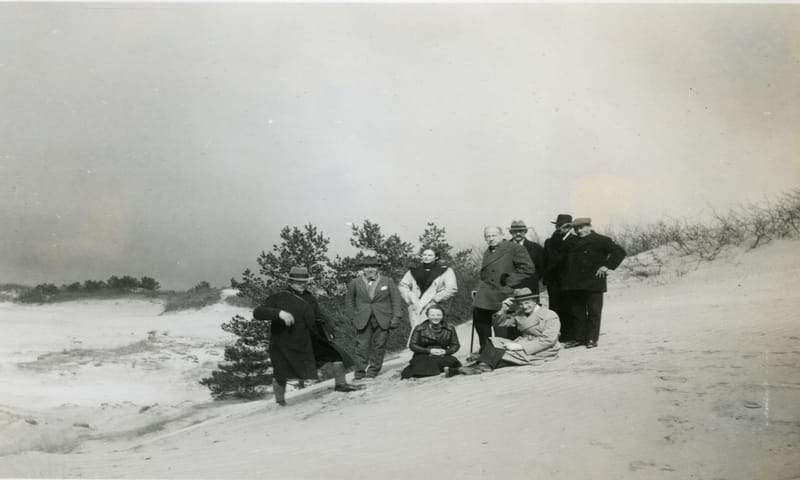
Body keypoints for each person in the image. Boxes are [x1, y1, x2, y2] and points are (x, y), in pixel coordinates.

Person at [253, 266, 364, 407]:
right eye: (298, 282)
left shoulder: (309, 296)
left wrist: (329, 329)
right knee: (281, 372)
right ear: (290, 282)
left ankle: (341, 385)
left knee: (336, 355)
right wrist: (279, 313)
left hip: (309, 339)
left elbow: (319, 316)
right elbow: (258, 312)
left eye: (304, 281)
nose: (302, 284)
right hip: (285, 342)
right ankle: (280, 402)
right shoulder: (279, 297)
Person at [453, 288, 560, 375]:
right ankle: (480, 367)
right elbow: (501, 323)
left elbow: (548, 340)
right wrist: (502, 309)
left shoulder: (550, 315)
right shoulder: (520, 313)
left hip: (542, 349)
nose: (524, 306)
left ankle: (469, 368)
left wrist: (521, 347)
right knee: (493, 341)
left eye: (527, 303)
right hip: (523, 342)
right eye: (521, 304)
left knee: (502, 353)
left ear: (535, 301)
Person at [560, 218, 626, 349]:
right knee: (577, 312)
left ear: (589, 226)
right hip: (574, 283)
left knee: (594, 312)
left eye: (582, 227)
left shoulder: (601, 240)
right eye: (576, 228)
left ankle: (591, 339)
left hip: (593, 282)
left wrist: (607, 266)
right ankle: (579, 338)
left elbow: (620, 252)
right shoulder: (570, 241)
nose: (579, 231)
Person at [472, 226, 535, 352]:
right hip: (487, 292)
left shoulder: (514, 248)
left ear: (502, 235)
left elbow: (528, 269)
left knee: (502, 323)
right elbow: (485, 274)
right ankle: (486, 349)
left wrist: (508, 281)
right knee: (480, 319)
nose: (490, 239)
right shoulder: (488, 251)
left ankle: (502, 349)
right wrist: (477, 288)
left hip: (505, 291)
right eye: (487, 236)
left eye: (493, 235)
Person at [345, 256, 403, 380]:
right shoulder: (355, 282)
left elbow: (396, 300)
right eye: (366, 266)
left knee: (380, 345)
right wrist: (352, 318)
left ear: (378, 268)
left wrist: (396, 317)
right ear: (362, 268)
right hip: (362, 319)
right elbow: (349, 302)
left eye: (373, 266)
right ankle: (360, 372)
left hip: (383, 318)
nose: (370, 269)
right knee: (361, 346)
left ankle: (373, 371)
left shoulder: (387, 281)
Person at [398, 248, 458, 331]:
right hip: (416, 306)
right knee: (416, 331)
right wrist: (410, 299)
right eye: (424, 255)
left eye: (430, 255)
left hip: (435, 306)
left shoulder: (445, 270)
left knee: (434, 331)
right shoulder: (414, 270)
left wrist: (435, 299)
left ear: (436, 257)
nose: (426, 257)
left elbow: (451, 289)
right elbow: (403, 286)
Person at [400, 304, 461, 379]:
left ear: (443, 315)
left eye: (438, 315)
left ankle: (449, 369)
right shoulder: (419, 328)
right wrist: (429, 351)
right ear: (427, 316)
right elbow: (412, 345)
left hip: (442, 354)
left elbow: (455, 345)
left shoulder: (450, 328)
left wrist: (446, 352)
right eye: (432, 315)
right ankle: (445, 369)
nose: (435, 317)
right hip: (423, 354)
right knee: (421, 366)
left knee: (451, 361)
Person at [542, 214, 573, 341]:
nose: (561, 228)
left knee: (570, 307)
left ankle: (571, 334)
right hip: (553, 281)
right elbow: (545, 260)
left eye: (565, 226)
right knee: (555, 308)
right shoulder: (549, 242)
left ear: (570, 226)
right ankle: (558, 335)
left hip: (569, 280)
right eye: (558, 226)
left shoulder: (574, 240)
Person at [508, 220, 545, 295]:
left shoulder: (536, 248)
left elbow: (541, 268)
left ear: (525, 232)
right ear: (511, 232)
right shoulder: (503, 248)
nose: (518, 234)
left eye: (521, 231)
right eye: (515, 231)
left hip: (531, 287)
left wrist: (532, 280)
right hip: (510, 289)